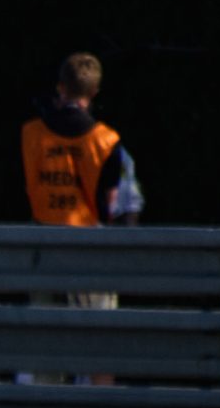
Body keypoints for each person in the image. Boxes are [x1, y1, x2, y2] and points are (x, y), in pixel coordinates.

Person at [19, 52, 142, 384]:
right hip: (90, 253)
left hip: (42, 252)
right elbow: (121, 208)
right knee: (99, 347)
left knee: (45, 350)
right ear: (95, 93)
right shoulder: (106, 142)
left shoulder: (31, 135)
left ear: (60, 88)